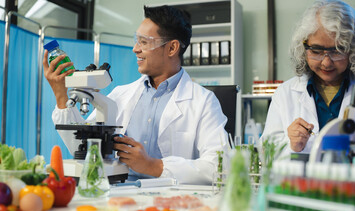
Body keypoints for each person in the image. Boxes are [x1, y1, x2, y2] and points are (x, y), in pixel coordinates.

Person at [42, 5, 228, 185]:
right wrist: (60, 95)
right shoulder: (121, 94)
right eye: (136, 40)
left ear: (172, 48)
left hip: (171, 200)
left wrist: (153, 166)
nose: (135, 49)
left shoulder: (203, 102)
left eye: (144, 42)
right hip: (119, 195)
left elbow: (220, 166)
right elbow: (84, 151)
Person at [261, 0, 355, 156]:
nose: (326, 62)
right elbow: (266, 154)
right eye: (316, 50)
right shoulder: (286, 93)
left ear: (353, 49)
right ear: (303, 47)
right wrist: (292, 145)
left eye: (337, 50)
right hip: (299, 180)